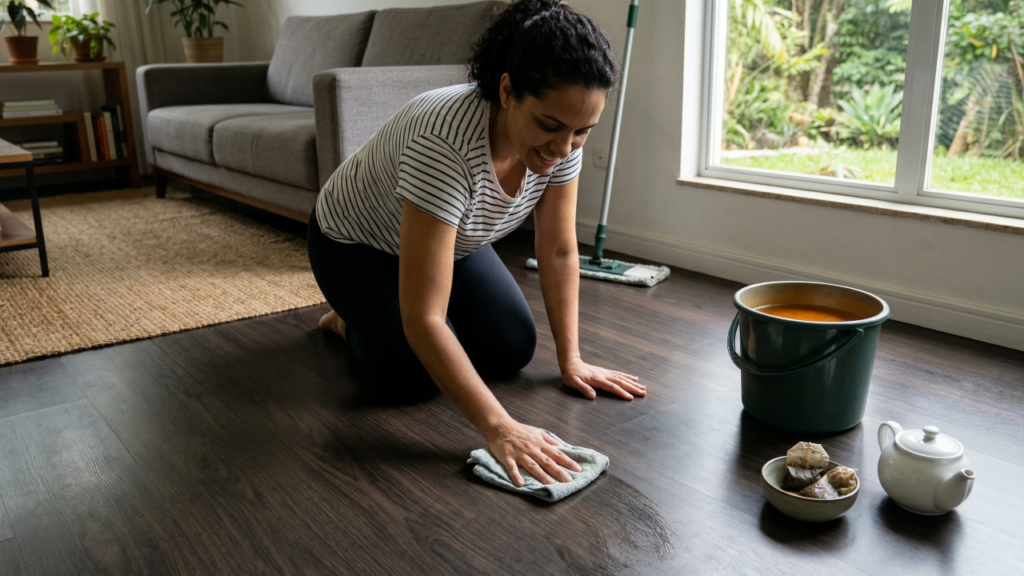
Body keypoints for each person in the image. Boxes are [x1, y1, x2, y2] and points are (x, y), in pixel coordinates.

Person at [307, 0, 645, 488]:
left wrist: (572, 359)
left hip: (452, 239)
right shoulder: (444, 141)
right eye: (551, 127)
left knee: (512, 346)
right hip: (355, 244)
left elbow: (557, 250)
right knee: (410, 373)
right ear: (507, 90)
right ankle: (345, 318)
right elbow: (424, 318)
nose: (564, 148)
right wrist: (500, 427)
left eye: (582, 132)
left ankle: (381, 314)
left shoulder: (561, 140)